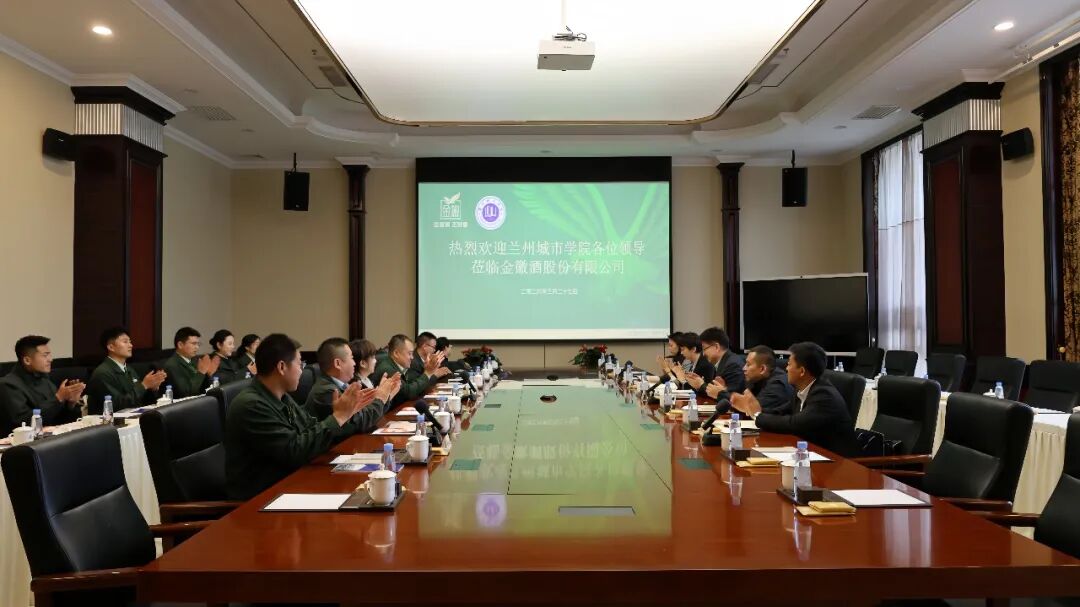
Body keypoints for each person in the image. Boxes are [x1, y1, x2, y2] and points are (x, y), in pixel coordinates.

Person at [224, 333, 378, 500]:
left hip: (290, 484)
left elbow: (309, 427)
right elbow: (294, 451)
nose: (302, 370)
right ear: (282, 367)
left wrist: (344, 415)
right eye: (299, 364)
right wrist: (338, 417)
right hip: (261, 499)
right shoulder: (252, 405)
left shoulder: (282, 396)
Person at [730, 341, 859, 457]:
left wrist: (757, 415)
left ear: (802, 371)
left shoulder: (824, 396)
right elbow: (780, 412)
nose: (786, 369)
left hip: (836, 462)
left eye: (789, 364)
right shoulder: (802, 389)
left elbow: (794, 424)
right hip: (809, 453)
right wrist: (754, 410)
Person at [305, 337, 400, 432]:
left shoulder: (342, 386)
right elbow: (359, 423)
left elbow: (365, 415)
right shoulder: (327, 392)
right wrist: (380, 398)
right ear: (337, 363)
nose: (354, 363)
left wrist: (386, 397)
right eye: (351, 358)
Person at [0, 336, 84, 435]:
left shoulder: (44, 379)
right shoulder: (8, 385)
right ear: (27, 360)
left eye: (49, 355)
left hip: (53, 437)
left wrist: (71, 403)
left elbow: (60, 421)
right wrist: (59, 398)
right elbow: (23, 423)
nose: (50, 359)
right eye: (45, 355)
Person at [86, 327, 167, 414]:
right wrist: (143, 386)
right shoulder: (102, 373)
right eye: (125, 342)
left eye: (130, 342)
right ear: (111, 347)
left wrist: (153, 388)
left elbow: (140, 400)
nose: (130, 345)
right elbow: (117, 405)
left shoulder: (129, 369)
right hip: (111, 421)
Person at [371, 334, 450, 406]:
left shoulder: (392, 364)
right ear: (396, 353)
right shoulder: (388, 369)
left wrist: (427, 371)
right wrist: (428, 373)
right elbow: (408, 392)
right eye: (409, 353)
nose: (412, 357)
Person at [710, 345, 792, 412]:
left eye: (748, 364)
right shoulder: (756, 379)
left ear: (762, 369)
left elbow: (752, 409)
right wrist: (725, 390)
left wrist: (721, 394)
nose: (744, 368)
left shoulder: (777, 385)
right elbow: (744, 400)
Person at [162, 327, 220, 398]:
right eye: (193, 344)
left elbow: (204, 388)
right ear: (180, 345)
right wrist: (201, 372)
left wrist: (208, 374)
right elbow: (186, 393)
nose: (197, 347)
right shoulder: (172, 365)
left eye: (198, 344)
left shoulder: (195, 360)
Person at [670, 332, 715, 397]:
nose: (681, 353)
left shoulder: (706, 365)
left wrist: (682, 379)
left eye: (683, 349)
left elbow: (704, 392)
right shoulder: (692, 362)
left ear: (693, 349)